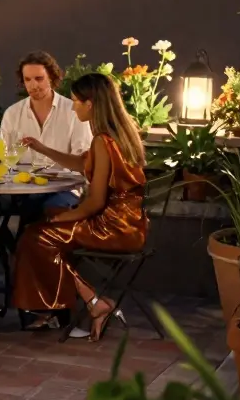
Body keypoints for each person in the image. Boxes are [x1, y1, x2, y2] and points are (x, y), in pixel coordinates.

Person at [13, 73, 148, 340]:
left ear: (91, 104)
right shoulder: (119, 135)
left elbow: (95, 202)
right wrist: (42, 148)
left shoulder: (102, 141)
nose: (73, 106)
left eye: (76, 101)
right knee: (44, 221)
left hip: (112, 227)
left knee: (36, 235)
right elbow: (81, 164)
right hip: (132, 223)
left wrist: (65, 216)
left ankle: (92, 303)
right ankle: (74, 306)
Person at [0, 51, 93, 211]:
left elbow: (83, 160)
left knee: (50, 209)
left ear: (52, 77)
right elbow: (2, 157)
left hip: (64, 189)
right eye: (27, 80)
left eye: (39, 78)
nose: (33, 85)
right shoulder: (13, 113)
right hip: (23, 189)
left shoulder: (73, 111)